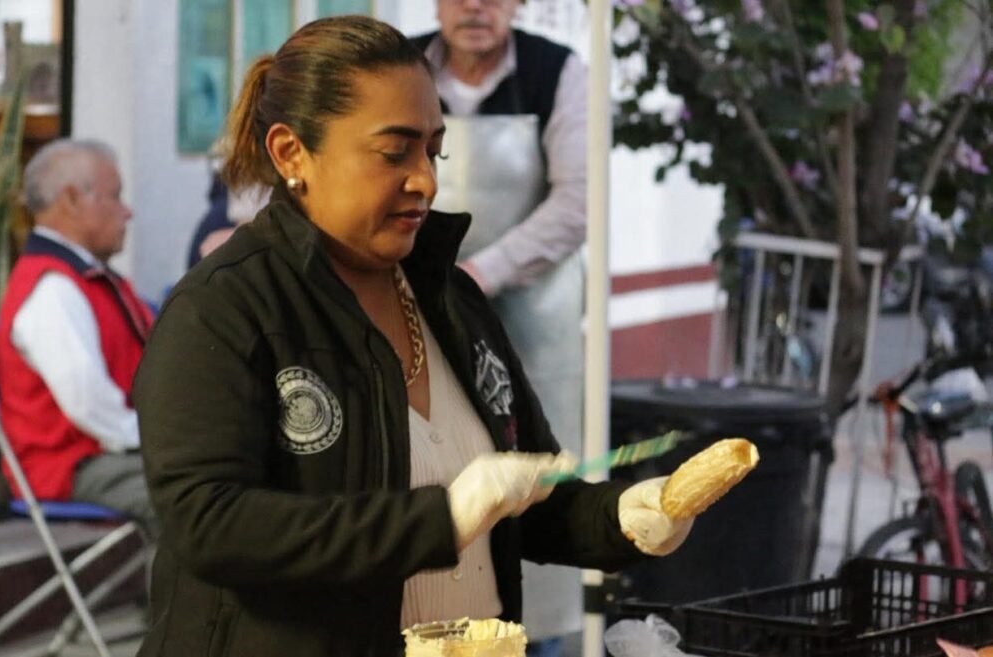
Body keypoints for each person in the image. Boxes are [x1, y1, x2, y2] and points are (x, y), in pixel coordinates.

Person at [134, 16, 692, 657]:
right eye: (393, 152)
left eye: (434, 149)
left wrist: (624, 517)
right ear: (292, 153)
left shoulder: (452, 300)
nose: (425, 178)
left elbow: (528, 497)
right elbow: (211, 523)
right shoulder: (225, 308)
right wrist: (443, 518)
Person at [411, 2, 590, 653]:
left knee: (531, 484)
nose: (475, 7)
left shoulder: (557, 71)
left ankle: (538, 639)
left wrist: (479, 272)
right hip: (413, 314)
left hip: (530, 329)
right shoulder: (401, 64)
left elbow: (577, 200)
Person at [0, 139, 157, 535]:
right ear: (70, 200)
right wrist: (173, 441)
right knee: (198, 498)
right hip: (74, 463)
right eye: (115, 196)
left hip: (103, 452)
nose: (127, 210)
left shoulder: (83, 276)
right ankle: (181, 600)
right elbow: (91, 406)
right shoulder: (53, 289)